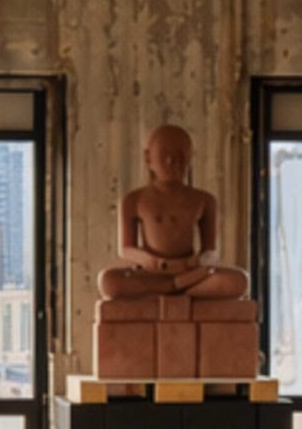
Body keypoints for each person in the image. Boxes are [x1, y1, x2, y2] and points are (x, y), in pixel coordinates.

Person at [96, 124, 253, 303]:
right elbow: (125, 248)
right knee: (107, 281)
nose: (171, 161)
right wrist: (151, 261)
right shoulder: (134, 199)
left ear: (189, 159)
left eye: (179, 155)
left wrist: (194, 262)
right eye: (164, 155)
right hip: (151, 273)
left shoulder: (204, 199)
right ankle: (172, 288)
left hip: (190, 273)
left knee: (240, 280)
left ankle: (172, 289)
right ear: (148, 158)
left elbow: (210, 251)